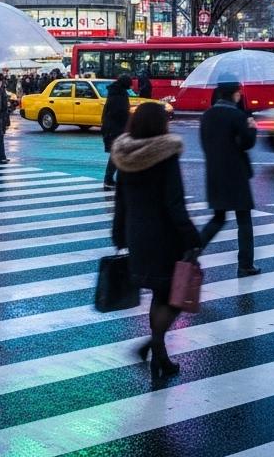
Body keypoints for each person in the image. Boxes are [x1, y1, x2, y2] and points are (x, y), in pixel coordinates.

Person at [110, 102, 201, 379]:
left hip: (137, 235)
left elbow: (120, 201)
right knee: (174, 298)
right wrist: (191, 237)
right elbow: (174, 204)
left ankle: (158, 357)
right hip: (165, 236)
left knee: (160, 294)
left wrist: (118, 233)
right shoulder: (166, 155)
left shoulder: (125, 156)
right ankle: (153, 345)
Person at [198, 81, 260, 276]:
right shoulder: (237, 115)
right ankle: (245, 264)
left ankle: (191, 252)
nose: (240, 95)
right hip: (236, 174)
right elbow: (246, 143)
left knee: (218, 217)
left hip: (215, 173)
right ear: (233, 94)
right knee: (244, 219)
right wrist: (252, 128)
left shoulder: (207, 115)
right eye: (238, 92)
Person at [101, 74, 132, 189]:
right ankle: (109, 179)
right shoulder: (120, 95)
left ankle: (111, 179)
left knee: (118, 154)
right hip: (116, 129)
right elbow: (121, 113)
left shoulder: (114, 93)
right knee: (117, 154)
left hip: (111, 128)